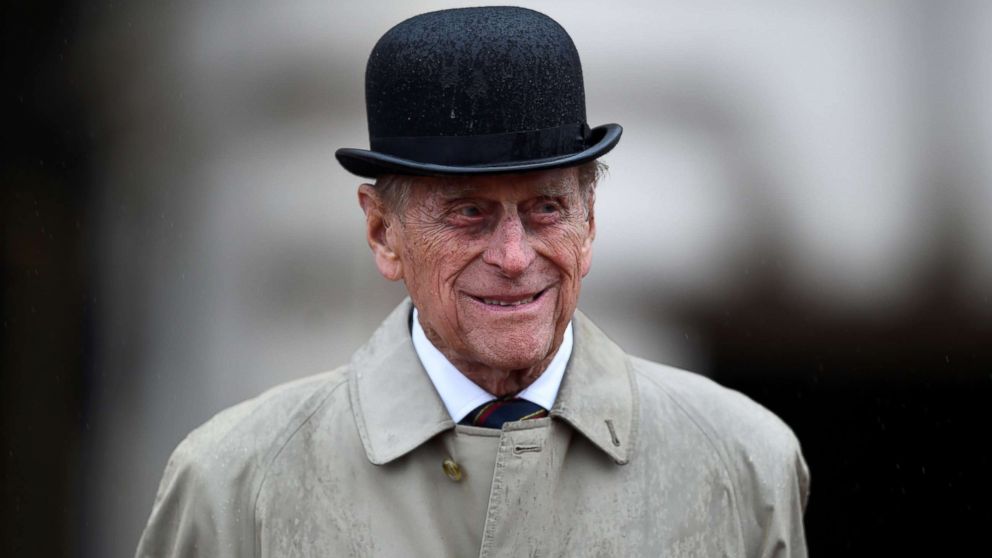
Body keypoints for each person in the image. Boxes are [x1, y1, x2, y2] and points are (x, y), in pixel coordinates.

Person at [136, 7, 809, 557]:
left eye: (546, 207)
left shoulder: (742, 465)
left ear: (591, 220)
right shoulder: (234, 484)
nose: (514, 257)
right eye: (468, 213)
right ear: (382, 234)